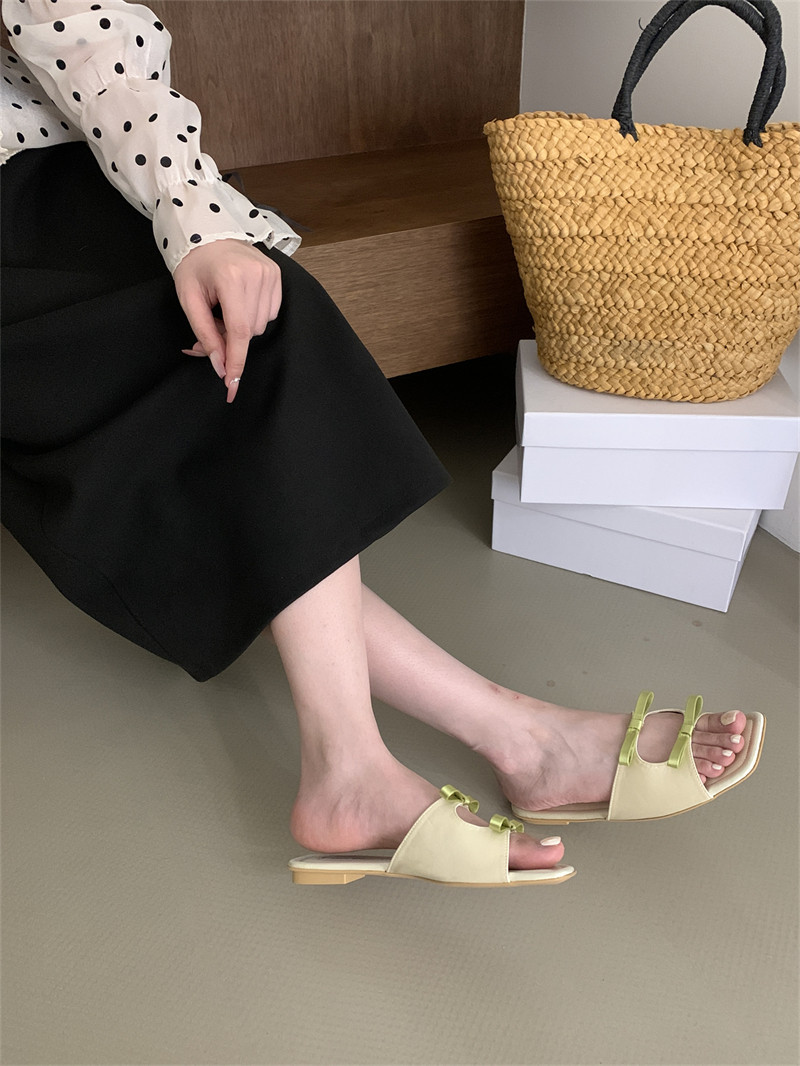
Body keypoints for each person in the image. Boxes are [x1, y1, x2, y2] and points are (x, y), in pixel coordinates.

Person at [1, 0, 762, 887]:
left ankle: (473, 747)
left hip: (44, 181)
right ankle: (454, 751)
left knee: (253, 321)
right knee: (205, 374)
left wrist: (201, 225)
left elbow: (85, 34)